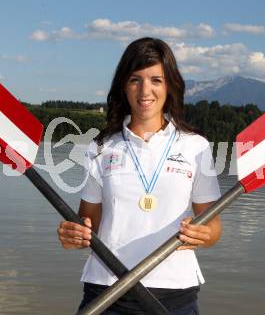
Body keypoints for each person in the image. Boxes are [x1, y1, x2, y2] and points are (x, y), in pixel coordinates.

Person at [57, 37, 222, 314]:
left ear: (169, 86)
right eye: (135, 79)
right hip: (108, 290)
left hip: (174, 293)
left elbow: (214, 227)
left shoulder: (196, 147)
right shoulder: (101, 146)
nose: (145, 90)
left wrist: (204, 235)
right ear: (124, 86)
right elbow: (88, 225)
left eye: (156, 80)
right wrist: (73, 234)